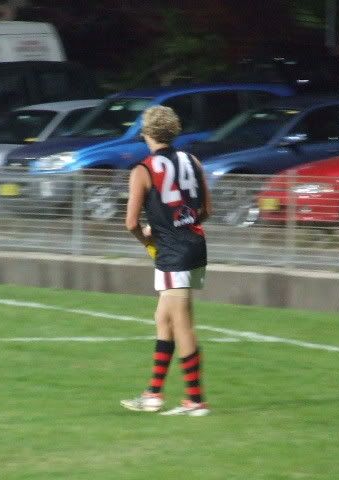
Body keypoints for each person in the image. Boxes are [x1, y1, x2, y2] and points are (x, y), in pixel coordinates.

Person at [120, 105, 213, 416]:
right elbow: (205, 211)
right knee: (164, 318)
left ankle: (195, 400)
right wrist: (172, 224)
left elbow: (131, 223)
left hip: (173, 253)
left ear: (146, 133)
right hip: (195, 245)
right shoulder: (193, 160)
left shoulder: (143, 170)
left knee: (182, 324)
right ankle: (154, 394)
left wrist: (149, 241)